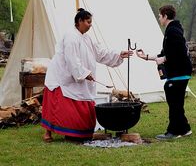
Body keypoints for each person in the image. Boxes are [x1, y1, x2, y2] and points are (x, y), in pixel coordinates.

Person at [41, 8, 133, 143]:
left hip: (80, 77)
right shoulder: (71, 37)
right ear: (80, 21)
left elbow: (100, 53)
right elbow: (71, 59)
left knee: (82, 105)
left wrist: (119, 54)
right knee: (57, 106)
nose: (91, 25)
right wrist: (83, 73)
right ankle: (48, 133)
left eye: (91, 22)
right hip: (63, 77)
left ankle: (77, 133)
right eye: (88, 22)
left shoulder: (87, 38)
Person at [136, 5, 192, 140]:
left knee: (174, 102)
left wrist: (165, 58)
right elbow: (165, 52)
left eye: (160, 16)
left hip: (179, 72)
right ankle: (184, 128)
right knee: (176, 102)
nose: (159, 18)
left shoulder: (173, 31)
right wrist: (147, 57)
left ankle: (173, 131)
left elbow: (179, 52)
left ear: (165, 16)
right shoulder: (172, 30)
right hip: (179, 72)